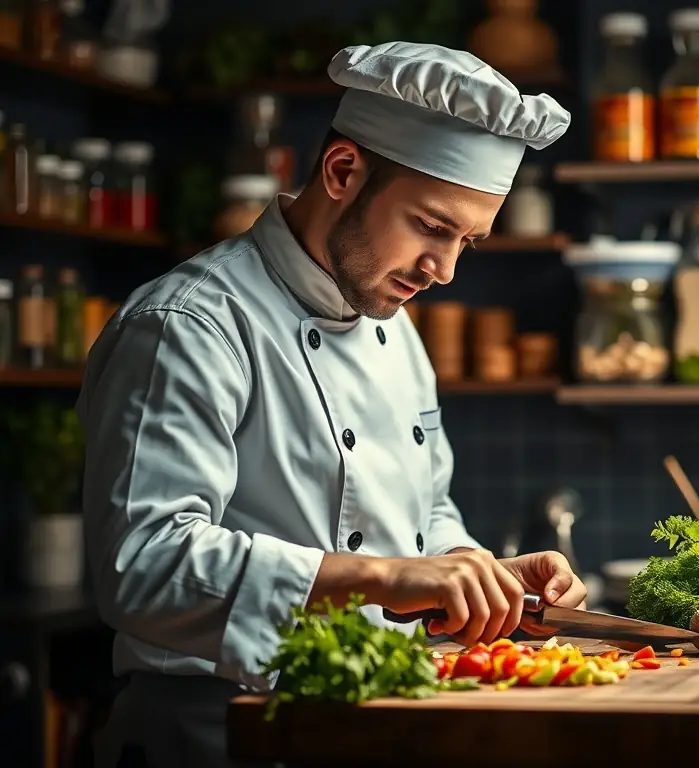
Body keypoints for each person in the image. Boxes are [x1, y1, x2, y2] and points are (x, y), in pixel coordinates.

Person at [78, 41, 578, 768]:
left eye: (467, 241)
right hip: (217, 732)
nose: (444, 270)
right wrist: (376, 578)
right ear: (343, 171)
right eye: (433, 228)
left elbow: (422, 514)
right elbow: (142, 563)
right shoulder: (188, 325)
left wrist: (475, 570)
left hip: (375, 718)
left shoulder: (395, 328)